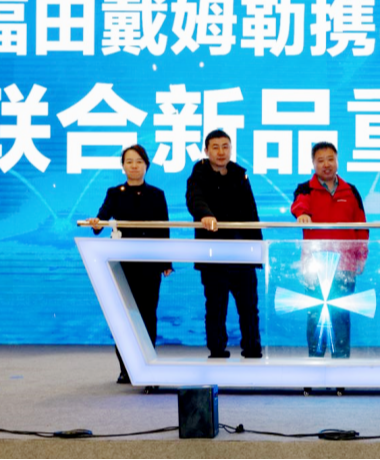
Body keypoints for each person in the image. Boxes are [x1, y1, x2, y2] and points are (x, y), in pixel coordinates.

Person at [86, 145, 173, 385]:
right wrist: (96, 223)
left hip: (150, 263)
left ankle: (148, 364)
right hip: (123, 265)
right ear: (123, 166)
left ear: (147, 165)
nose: (134, 166)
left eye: (139, 161)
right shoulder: (115, 192)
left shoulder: (157, 194)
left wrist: (166, 261)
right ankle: (126, 368)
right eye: (129, 161)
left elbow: (164, 229)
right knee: (124, 315)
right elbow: (102, 219)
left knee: (148, 315)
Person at [186, 130, 263, 359]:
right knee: (216, 306)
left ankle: (252, 348)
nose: (221, 152)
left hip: (242, 253)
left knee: (249, 306)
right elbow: (195, 199)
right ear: (206, 150)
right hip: (214, 254)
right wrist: (206, 215)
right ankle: (217, 350)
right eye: (215, 147)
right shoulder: (198, 174)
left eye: (225, 146)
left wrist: (257, 251)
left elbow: (252, 213)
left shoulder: (240, 175)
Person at [291, 142, 369, 358]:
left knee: (341, 315)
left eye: (330, 159)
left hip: (345, 266)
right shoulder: (305, 188)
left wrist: (361, 256)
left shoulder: (351, 190)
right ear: (313, 163)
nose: (326, 164)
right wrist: (302, 215)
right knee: (315, 316)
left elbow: (361, 226)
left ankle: (340, 364)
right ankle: (315, 361)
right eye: (320, 160)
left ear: (337, 160)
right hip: (315, 266)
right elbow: (299, 205)